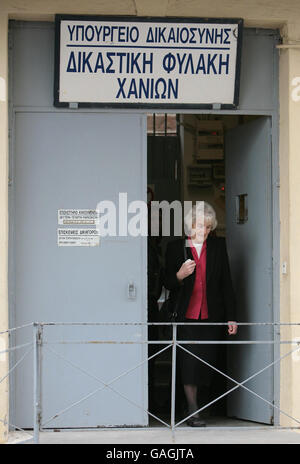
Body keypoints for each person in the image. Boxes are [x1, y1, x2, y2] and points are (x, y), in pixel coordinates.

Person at [163, 201, 238, 427]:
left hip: (211, 316)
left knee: (206, 364)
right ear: (190, 226)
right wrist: (179, 275)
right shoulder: (176, 248)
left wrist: (231, 316)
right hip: (186, 317)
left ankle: (194, 406)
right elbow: (166, 282)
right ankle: (193, 412)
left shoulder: (217, 247)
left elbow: (226, 284)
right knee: (189, 365)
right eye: (198, 226)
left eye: (207, 227)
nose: (203, 231)